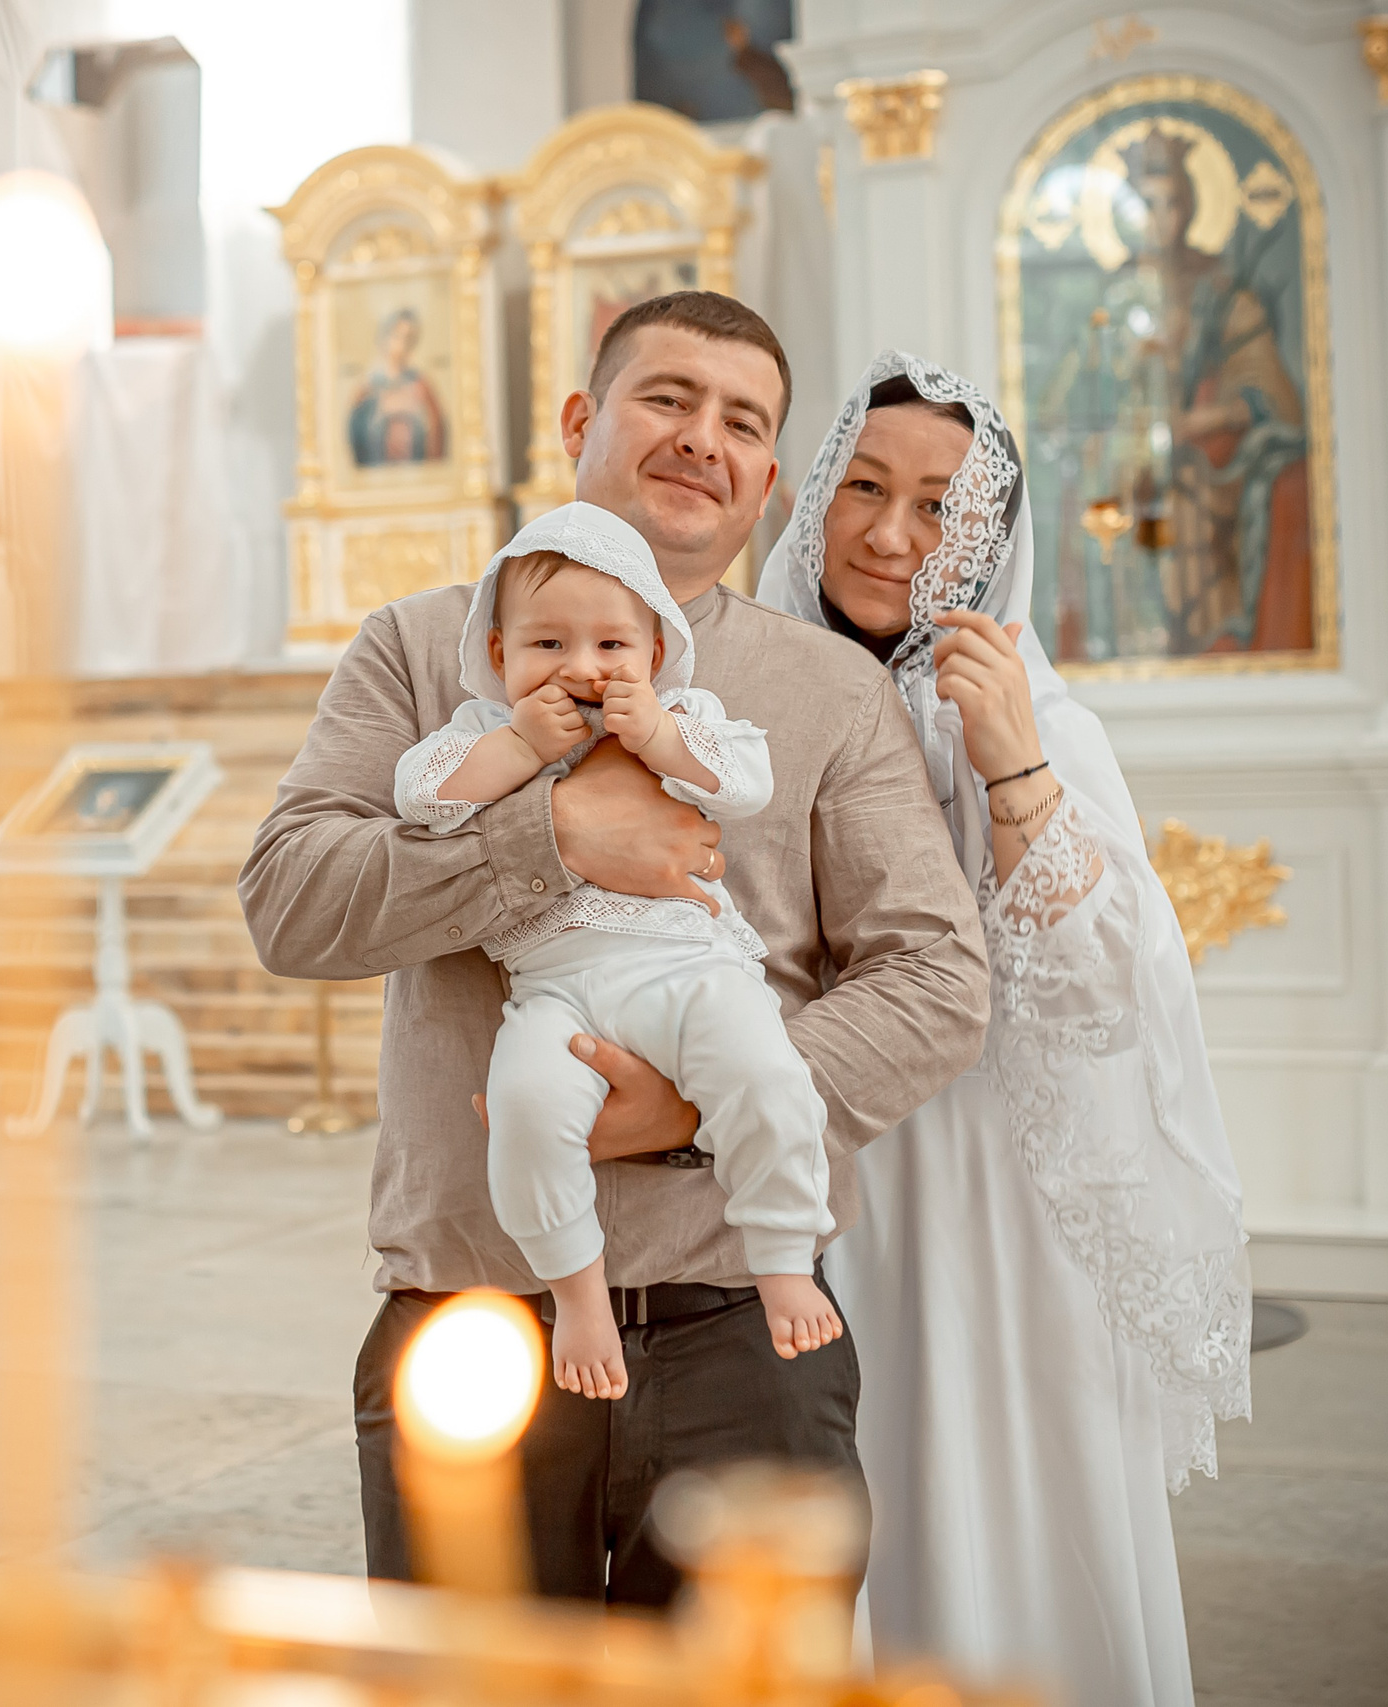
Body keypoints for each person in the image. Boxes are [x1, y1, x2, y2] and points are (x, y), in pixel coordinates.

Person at [239, 291, 989, 1606]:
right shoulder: (418, 651)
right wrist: (549, 836)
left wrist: (691, 1109)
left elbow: (937, 978)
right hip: (471, 1323)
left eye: (742, 422)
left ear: (768, 478)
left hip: (742, 1331)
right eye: (668, 398)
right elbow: (292, 903)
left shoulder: (828, 690)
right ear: (581, 418)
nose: (703, 438)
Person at [758, 351, 1249, 1705]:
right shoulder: (744, 686)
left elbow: (1102, 995)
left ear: (987, 535)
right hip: (803, 1179)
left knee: (999, 1516)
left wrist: (1013, 764)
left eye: (938, 506)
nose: (890, 534)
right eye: (863, 487)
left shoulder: (1031, 713)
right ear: (815, 492)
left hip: (982, 1196)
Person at [389, 501, 839, 1399]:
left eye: (611, 645)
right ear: (498, 654)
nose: (582, 668)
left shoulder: (683, 714)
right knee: (524, 1108)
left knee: (766, 1074)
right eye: (547, 645)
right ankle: (577, 1292)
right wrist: (520, 745)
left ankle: (784, 1255)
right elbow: (421, 795)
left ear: (656, 652)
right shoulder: (484, 728)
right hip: (554, 991)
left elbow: (748, 779)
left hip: (688, 968)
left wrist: (659, 735)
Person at [347, 307, 448, 467]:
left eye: (409, 338)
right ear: (384, 337)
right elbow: (357, 435)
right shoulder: (368, 387)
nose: (402, 344)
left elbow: (437, 431)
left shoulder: (420, 384)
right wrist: (382, 410)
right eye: (397, 336)